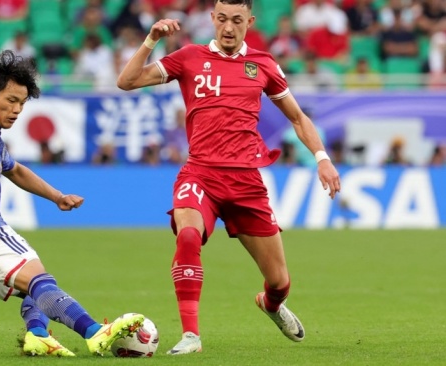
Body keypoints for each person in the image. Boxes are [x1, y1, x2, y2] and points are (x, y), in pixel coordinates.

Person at [116, 0, 341, 355]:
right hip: (200, 173)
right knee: (188, 235)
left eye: (237, 20)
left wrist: (322, 158)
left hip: (246, 182)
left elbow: (298, 118)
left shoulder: (263, 65)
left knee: (279, 281)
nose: (228, 28)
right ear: (212, 20)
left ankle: (270, 304)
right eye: (222, 19)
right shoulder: (189, 58)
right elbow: (126, 81)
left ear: (249, 22)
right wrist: (151, 40)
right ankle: (191, 335)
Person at [0, 50, 143, 357]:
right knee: (42, 279)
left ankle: (37, 335)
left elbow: (14, 169)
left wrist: (57, 196)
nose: (17, 109)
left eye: (22, 103)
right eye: (11, 100)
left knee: (35, 288)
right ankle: (95, 332)